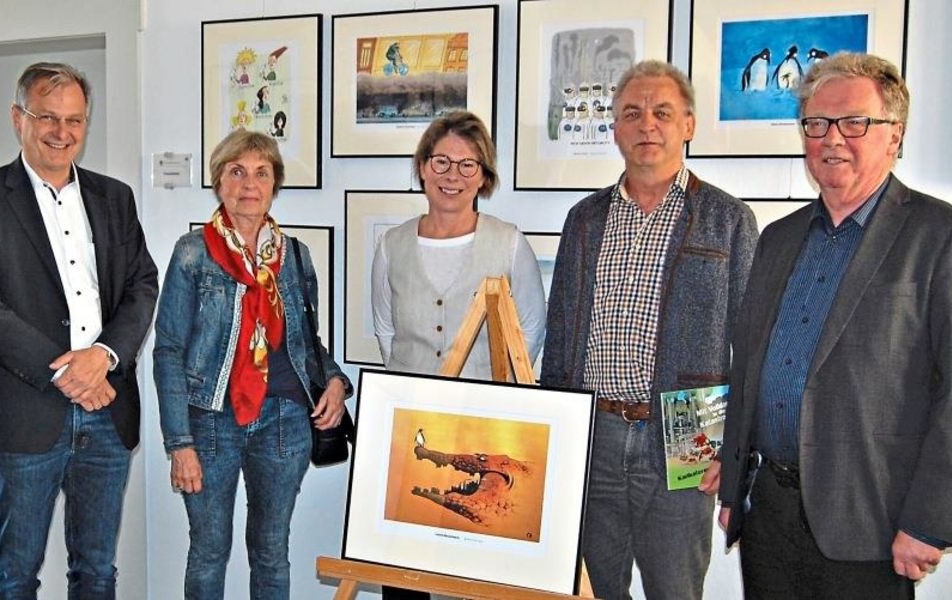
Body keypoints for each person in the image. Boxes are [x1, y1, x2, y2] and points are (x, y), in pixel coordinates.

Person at [718, 52, 950, 599]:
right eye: (816, 124)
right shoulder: (777, 237)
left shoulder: (937, 236)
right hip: (769, 511)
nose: (831, 138)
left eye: (854, 122)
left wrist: (929, 521)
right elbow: (749, 367)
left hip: (872, 519)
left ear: (894, 135)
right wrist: (733, 488)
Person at [539, 60, 757, 600]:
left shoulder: (726, 218)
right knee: (592, 588)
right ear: (614, 128)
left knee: (675, 588)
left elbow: (753, 346)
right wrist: (556, 431)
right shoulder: (585, 219)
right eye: (632, 113)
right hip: (595, 431)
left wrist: (732, 448)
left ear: (688, 124)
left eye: (662, 112)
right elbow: (561, 334)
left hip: (689, 431)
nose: (646, 125)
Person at [0, 62, 159, 598]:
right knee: (16, 572)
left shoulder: (115, 197)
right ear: (18, 117)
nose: (62, 133)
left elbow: (141, 284)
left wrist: (104, 356)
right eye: (48, 117)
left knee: (96, 571)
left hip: (108, 410)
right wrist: (69, 370)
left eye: (75, 120)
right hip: (28, 412)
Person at [154, 129, 351, 600]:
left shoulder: (295, 257)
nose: (249, 183)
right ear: (219, 182)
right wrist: (179, 442)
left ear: (274, 185)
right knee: (208, 551)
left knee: (270, 551)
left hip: (284, 421)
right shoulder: (193, 253)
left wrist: (338, 382)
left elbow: (308, 344)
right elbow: (167, 351)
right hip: (211, 422)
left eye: (261, 173)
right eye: (236, 171)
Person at [370, 111, 546, 599]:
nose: (452, 176)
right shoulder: (391, 245)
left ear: (484, 176)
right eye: (441, 161)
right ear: (422, 168)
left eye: (468, 165)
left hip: (484, 430)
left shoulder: (509, 243)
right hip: (410, 428)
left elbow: (529, 331)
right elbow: (387, 330)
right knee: (405, 566)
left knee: (476, 566)